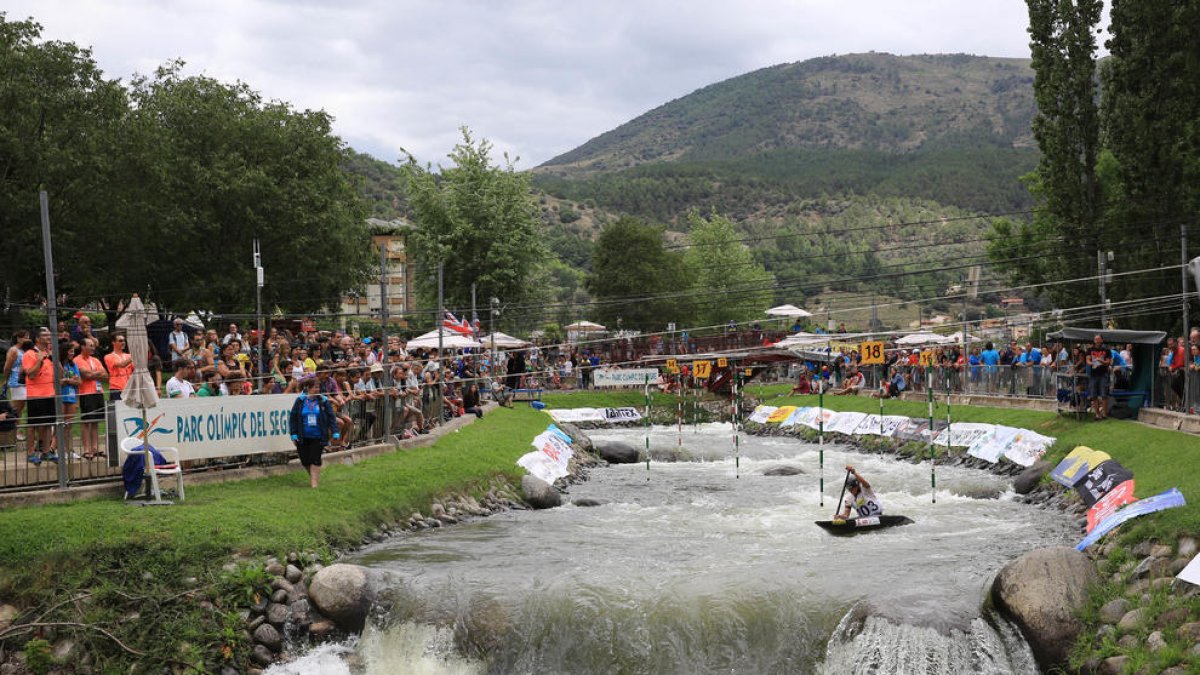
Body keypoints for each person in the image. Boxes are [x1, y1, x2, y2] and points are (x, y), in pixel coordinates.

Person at [288, 377, 339, 488]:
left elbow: (331, 417)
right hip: (303, 435)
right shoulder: (300, 401)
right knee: (305, 460)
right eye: (315, 387)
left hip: (318, 435)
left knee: (315, 458)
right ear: (309, 388)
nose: (318, 389)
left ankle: (314, 484)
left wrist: (335, 431)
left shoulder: (323, 401)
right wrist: (293, 434)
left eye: (318, 387)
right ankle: (313, 477)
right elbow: (293, 418)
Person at [21, 327, 57, 464]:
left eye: (49, 334)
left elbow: (59, 373)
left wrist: (54, 358)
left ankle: (46, 452)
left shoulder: (50, 353)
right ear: (37, 338)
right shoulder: (30, 354)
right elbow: (30, 374)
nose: (48, 336)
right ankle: (30, 453)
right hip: (36, 395)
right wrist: (40, 361)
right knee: (33, 425)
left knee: (48, 424)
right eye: (45, 334)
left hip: (50, 394)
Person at [74, 337, 107, 460]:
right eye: (90, 345)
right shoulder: (77, 360)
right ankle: (87, 449)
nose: (93, 348)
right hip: (86, 393)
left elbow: (105, 376)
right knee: (87, 421)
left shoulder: (95, 360)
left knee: (96, 421)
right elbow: (86, 375)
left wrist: (94, 374)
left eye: (93, 345)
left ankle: (95, 448)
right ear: (83, 347)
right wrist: (97, 373)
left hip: (98, 392)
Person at [1087, 334, 1112, 420]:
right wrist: (1093, 363)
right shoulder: (1090, 350)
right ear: (1094, 341)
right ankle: (1097, 414)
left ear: (1102, 340)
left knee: (1104, 394)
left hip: (1103, 374)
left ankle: (1105, 414)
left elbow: (1109, 362)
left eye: (1098, 339)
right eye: (1095, 339)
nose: (1097, 341)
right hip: (1093, 375)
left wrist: (1100, 361)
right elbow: (1088, 360)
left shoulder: (1107, 350)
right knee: (1094, 395)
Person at [104, 334, 134, 402]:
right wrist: (135, 355)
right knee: (118, 411)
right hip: (117, 388)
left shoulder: (128, 355)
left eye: (124, 340)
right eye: (120, 341)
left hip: (130, 388)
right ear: (113, 342)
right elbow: (122, 364)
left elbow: (135, 368)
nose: (123, 342)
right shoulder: (109, 356)